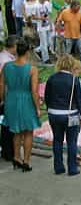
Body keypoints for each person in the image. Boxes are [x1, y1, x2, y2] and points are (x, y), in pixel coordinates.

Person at [0, 37, 41, 172]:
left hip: (11, 99)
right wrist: (38, 107)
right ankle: (26, 161)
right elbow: (34, 91)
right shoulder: (32, 69)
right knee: (28, 131)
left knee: (16, 131)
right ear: (28, 52)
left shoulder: (7, 66)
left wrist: (3, 101)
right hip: (26, 99)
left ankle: (16, 157)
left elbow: (1, 85)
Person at [44, 55, 81, 176]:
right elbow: (79, 100)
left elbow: (47, 97)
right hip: (71, 114)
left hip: (54, 114)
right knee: (71, 141)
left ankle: (58, 167)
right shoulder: (74, 80)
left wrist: (50, 109)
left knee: (57, 140)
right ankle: (72, 168)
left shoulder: (51, 78)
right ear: (71, 65)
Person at [56, 0, 81, 69]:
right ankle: (65, 65)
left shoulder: (79, 13)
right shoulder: (65, 12)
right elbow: (58, 22)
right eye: (77, 8)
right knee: (67, 52)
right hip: (68, 37)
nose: (78, 10)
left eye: (79, 8)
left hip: (78, 36)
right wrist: (59, 34)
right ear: (73, 7)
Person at [0, 36, 17, 161]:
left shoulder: (6, 58)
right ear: (14, 46)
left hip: (6, 95)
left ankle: (7, 150)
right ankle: (8, 151)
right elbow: (3, 82)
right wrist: (4, 99)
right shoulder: (6, 61)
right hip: (6, 95)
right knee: (7, 125)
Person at [33, 0, 53, 64]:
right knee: (44, 44)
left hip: (47, 26)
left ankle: (37, 50)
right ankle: (46, 60)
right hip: (41, 28)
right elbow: (33, 16)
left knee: (48, 43)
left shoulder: (47, 3)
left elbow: (49, 15)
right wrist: (41, 18)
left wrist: (51, 25)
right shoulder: (36, 6)